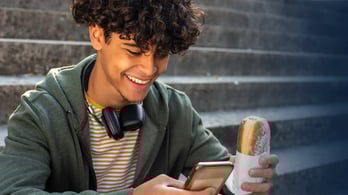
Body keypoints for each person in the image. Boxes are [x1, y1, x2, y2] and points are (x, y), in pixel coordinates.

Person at [0, 0, 278, 194]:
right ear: (97, 35)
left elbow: (221, 173)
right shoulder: (39, 112)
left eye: (161, 53)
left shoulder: (175, 108)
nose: (149, 69)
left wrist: (248, 181)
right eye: (133, 51)